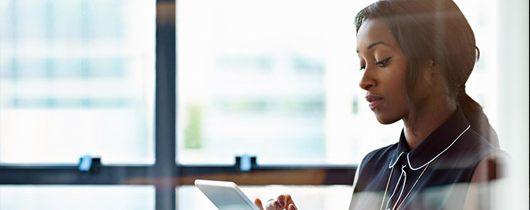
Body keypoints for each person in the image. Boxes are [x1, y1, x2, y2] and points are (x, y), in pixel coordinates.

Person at [253, 0, 506, 209]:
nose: (364, 80)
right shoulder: (372, 167)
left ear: (434, 62)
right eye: (362, 64)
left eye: (381, 60)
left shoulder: (490, 169)